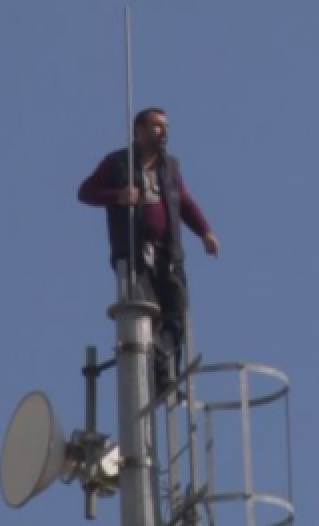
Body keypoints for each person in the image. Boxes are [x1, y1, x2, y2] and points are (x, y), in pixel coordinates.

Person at [77, 106, 221, 402]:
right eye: (157, 126)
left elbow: (186, 204)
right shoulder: (118, 163)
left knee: (176, 314)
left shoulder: (170, 168)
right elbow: (85, 191)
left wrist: (205, 232)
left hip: (169, 256)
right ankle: (156, 377)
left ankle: (166, 373)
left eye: (166, 126)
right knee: (148, 313)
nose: (164, 132)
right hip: (135, 255)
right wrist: (117, 196)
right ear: (139, 131)